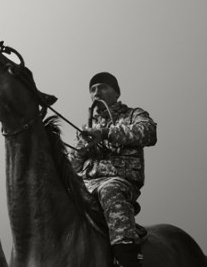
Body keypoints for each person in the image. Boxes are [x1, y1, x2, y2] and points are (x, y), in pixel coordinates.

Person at [69, 72, 157, 267]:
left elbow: (149, 133)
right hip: (87, 184)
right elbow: (73, 166)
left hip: (118, 180)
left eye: (103, 87)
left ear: (117, 93)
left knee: (110, 190)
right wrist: (81, 150)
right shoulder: (85, 128)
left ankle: (127, 258)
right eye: (92, 89)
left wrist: (105, 133)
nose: (97, 92)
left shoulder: (133, 114)